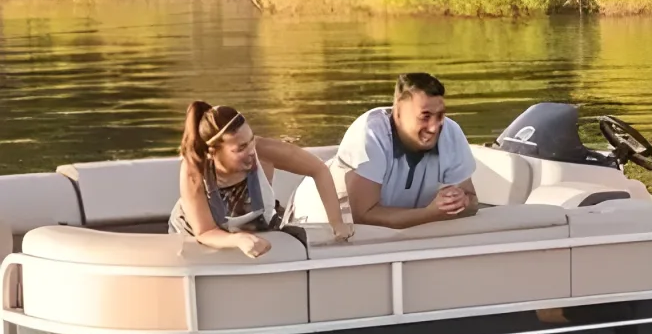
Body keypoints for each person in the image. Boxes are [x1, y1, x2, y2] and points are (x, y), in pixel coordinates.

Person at [291, 72, 478, 229]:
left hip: (394, 230)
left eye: (440, 115)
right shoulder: (370, 133)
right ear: (397, 112)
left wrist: (458, 201)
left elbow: (472, 202)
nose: (434, 127)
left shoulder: (450, 131)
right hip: (316, 221)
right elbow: (363, 216)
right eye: (425, 116)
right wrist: (430, 213)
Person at [170, 101, 351, 257]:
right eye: (240, 148)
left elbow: (318, 169)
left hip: (252, 235)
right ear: (212, 152)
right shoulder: (193, 169)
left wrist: (336, 222)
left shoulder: (262, 151)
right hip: (196, 239)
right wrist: (237, 240)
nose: (250, 151)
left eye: (251, 141)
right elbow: (205, 232)